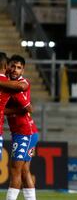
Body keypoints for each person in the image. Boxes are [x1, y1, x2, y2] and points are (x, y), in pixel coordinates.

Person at [0, 55, 38, 200]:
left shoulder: (21, 84)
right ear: (8, 66)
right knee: (24, 171)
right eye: (13, 66)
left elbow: (29, 108)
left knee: (15, 170)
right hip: (20, 133)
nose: (15, 70)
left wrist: (4, 110)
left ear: (23, 70)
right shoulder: (7, 83)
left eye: (19, 68)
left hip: (26, 133)